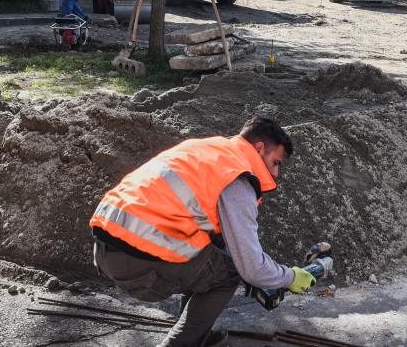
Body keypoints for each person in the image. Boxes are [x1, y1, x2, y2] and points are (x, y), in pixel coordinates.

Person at [90, 116, 312, 347]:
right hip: (138, 262)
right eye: (275, 163)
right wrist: (291, 277)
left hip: (104, 247)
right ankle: (179, 343)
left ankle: (195, 335)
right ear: (259, 148)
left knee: (212, 257)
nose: (276, 173)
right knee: (229, 273)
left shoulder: (205, 149)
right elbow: (251, 267)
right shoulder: (237, 177)